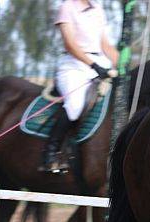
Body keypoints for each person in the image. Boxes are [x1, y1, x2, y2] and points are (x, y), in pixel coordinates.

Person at [40, 0, 119, 172]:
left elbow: (105, 45)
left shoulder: (97, 8)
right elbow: (70, 44)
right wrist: (94, 65)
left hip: (100, 63)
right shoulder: (67, 7)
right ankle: (50, 153)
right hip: (73, 66)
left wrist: (123, 66)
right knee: (75, 105)